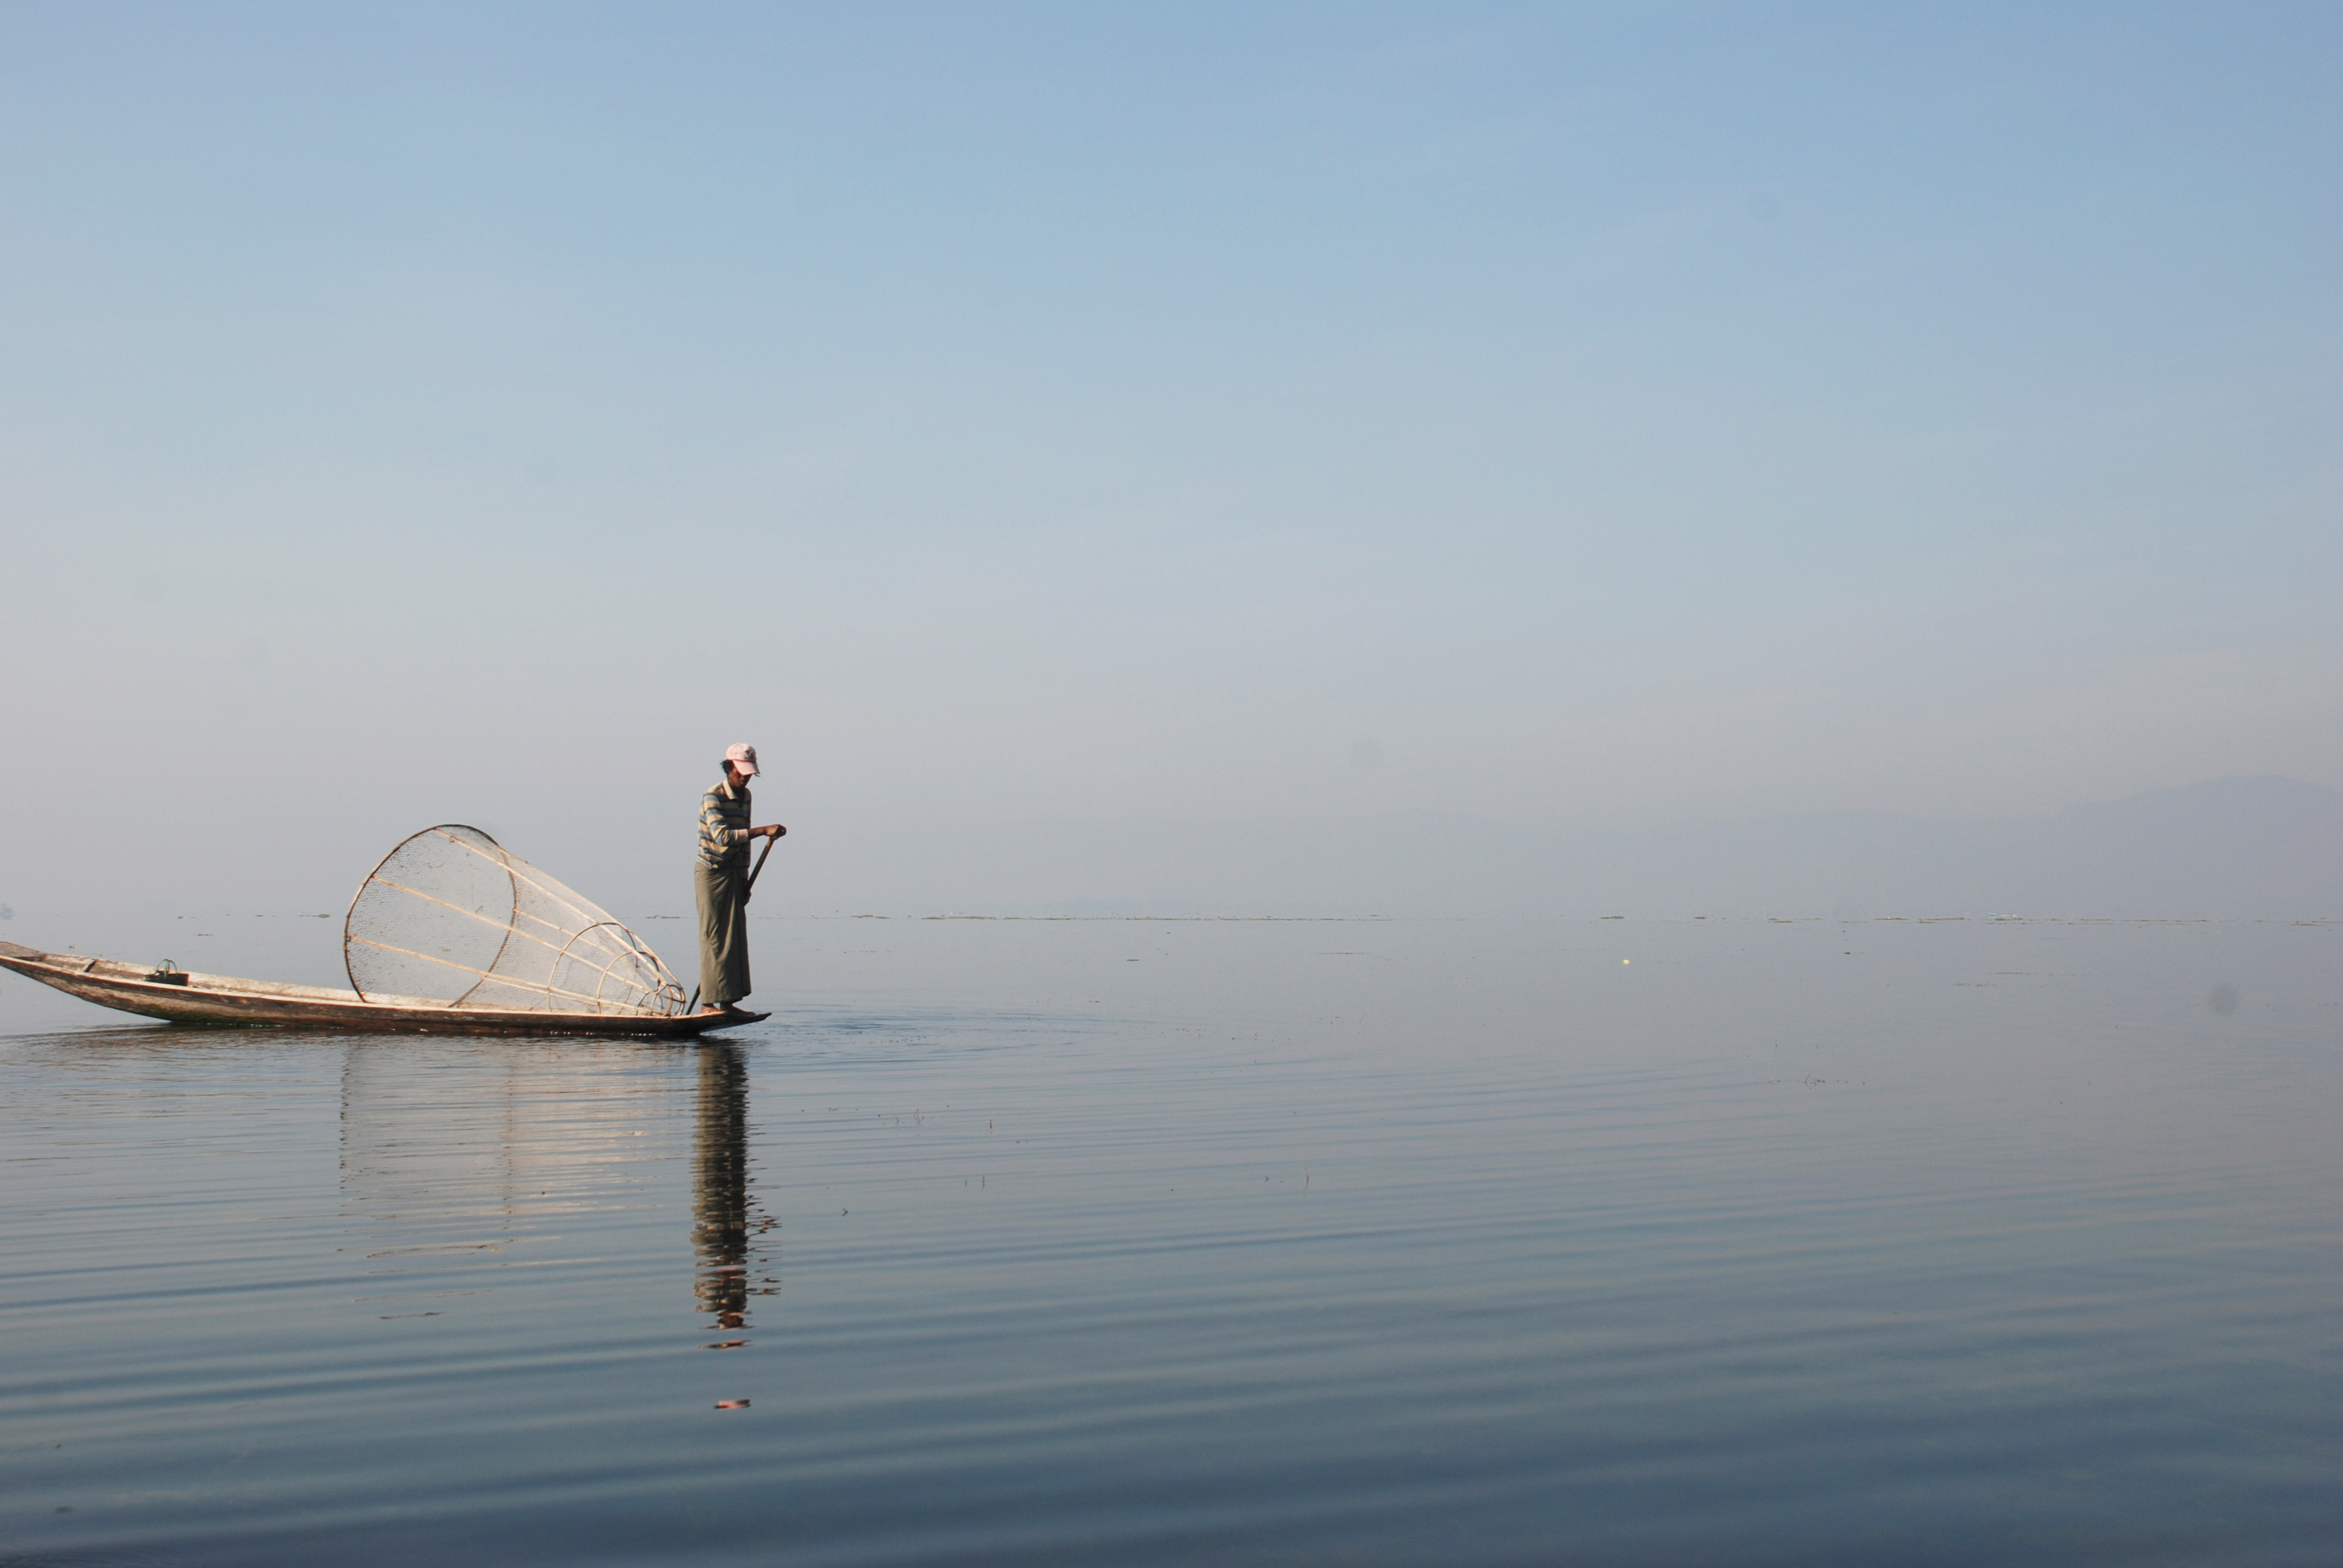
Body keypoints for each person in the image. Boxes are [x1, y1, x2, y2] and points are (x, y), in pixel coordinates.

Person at [695, 743, 784, 1015]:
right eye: (740, 772)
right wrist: (762, 830)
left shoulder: (746, 796)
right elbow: (722, 837)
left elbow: (743, 843)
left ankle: (727, 1003)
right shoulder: (713, 797)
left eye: (748, 774)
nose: (744, 778)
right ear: (729, 767)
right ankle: (708, 1005)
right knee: (714, 936)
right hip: (712, 872)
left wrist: (744, 880)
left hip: (735, 872)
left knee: (734, 938)